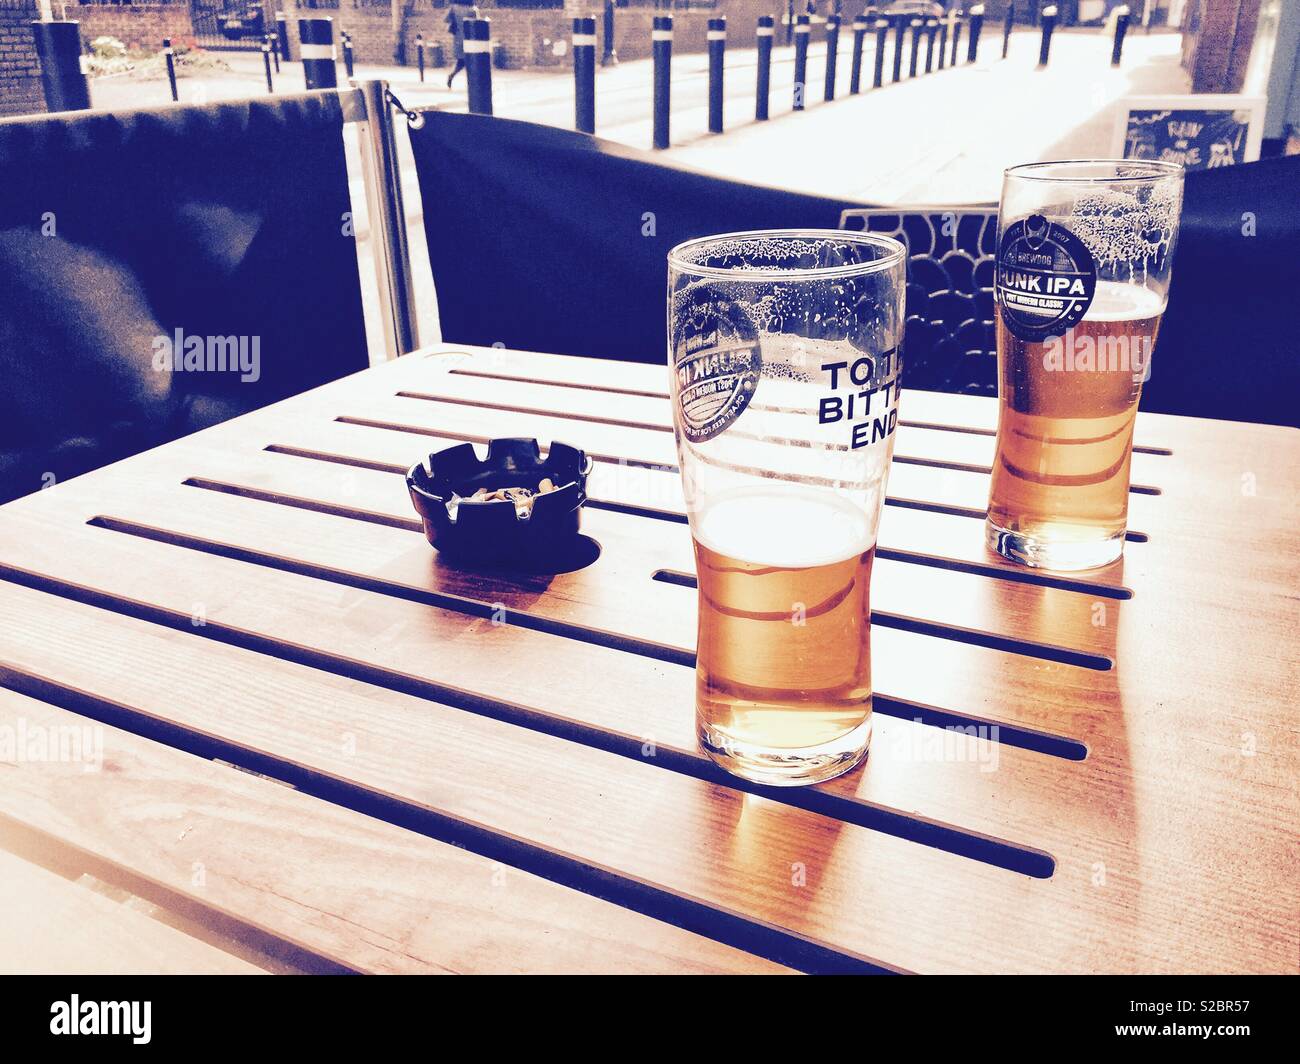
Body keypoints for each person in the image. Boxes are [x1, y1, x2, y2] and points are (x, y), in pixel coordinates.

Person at [446, 2, 471, 89]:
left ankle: (451, 76)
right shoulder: (472, 10)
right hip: (470, 38)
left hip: (458, 39)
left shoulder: (453, 8)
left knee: (462, 62)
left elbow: (446, 19)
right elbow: (477, 23)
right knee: (469, 61)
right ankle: (471, 83)